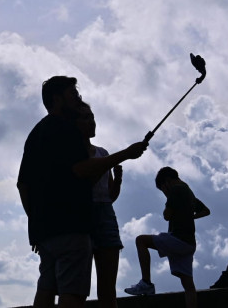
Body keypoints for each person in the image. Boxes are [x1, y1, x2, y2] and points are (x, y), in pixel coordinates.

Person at [17, 76, 148, 308]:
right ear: (57, 99)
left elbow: (23, 184)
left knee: (46, 288)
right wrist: (125, 154)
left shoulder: (35, 133)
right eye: (73, 94)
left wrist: (35, 222)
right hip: (71, 225)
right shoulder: (68, 131)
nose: (78, 99)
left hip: (45, 229)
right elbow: (81, 170)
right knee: (73, 292)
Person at [124, 167, 210, 308]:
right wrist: (188, 217)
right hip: (189, 243)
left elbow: (166, 215)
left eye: (162, 188)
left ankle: (146, 283)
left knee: (141, 240)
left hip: (178, 238)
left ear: (167, 182)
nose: (163, 192)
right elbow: (206, 211)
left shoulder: (176, 190)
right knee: (188, 285)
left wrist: (169, 199)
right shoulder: (189, 192)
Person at [76, 102, 123, 308]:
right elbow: (82, 187)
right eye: (85, 118)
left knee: (108, 286)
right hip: (82, 215)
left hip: (105, 213)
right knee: (76, 287)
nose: (91, 122)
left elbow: (110, 196)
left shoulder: (103, 153)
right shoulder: (73, 155)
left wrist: (118, 179)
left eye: (92, 117)